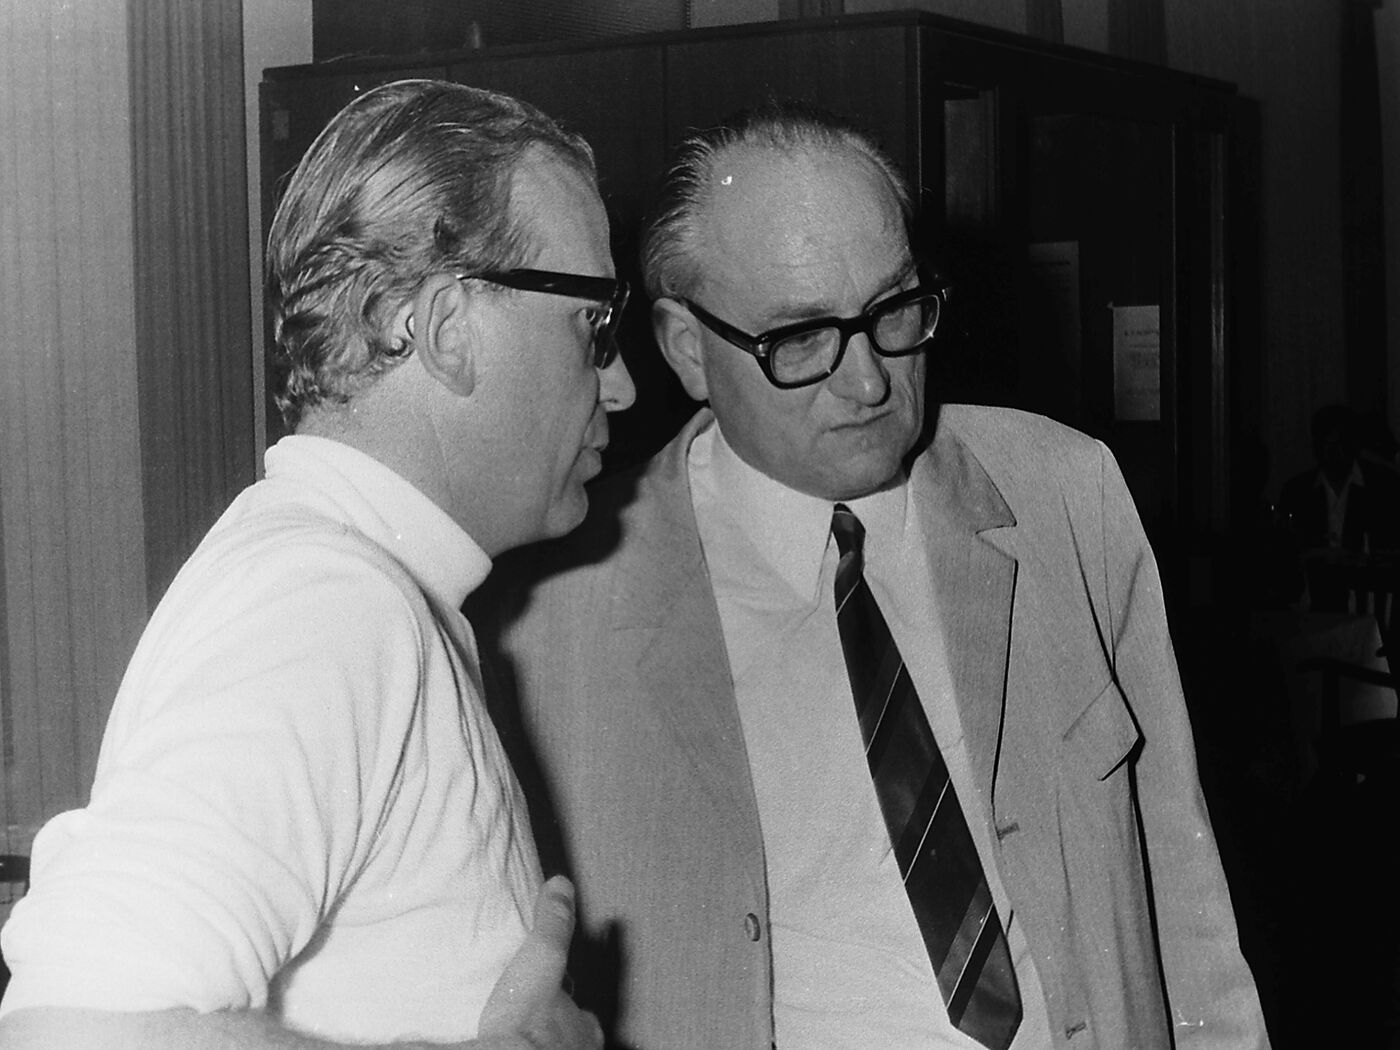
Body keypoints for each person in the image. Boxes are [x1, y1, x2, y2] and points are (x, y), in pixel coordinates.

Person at [483, 102, 1270, 1049]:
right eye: (801, 338)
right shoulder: (557, 608)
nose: (869, 383)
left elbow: (1183, 896)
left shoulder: (1064, 494)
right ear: (688, 348)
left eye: (895, 311)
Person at [0, 79, 635, 1049]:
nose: (619, 385)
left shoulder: (360, 585)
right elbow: (75, 1027)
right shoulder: (327, 601)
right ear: (448, 328)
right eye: (594, 327)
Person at [1277, 403, 1400, 555]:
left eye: (1340, 444)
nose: (1333, 453)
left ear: (1354, 444)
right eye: (1326, 445)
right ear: (1316, 446)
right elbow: (1286, 549)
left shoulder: (1384, 487)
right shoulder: (1296, 491)